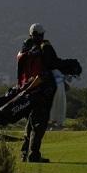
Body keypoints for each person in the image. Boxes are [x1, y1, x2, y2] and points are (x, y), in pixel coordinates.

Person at [19, 23, 60, 162]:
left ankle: (25, 153)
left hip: (27, 90)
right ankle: (33, 155)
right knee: (39, 124)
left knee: (30, 122)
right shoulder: (43, 47)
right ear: (41, 34)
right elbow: (54, 63)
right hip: (40, 90)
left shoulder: (25, 49)